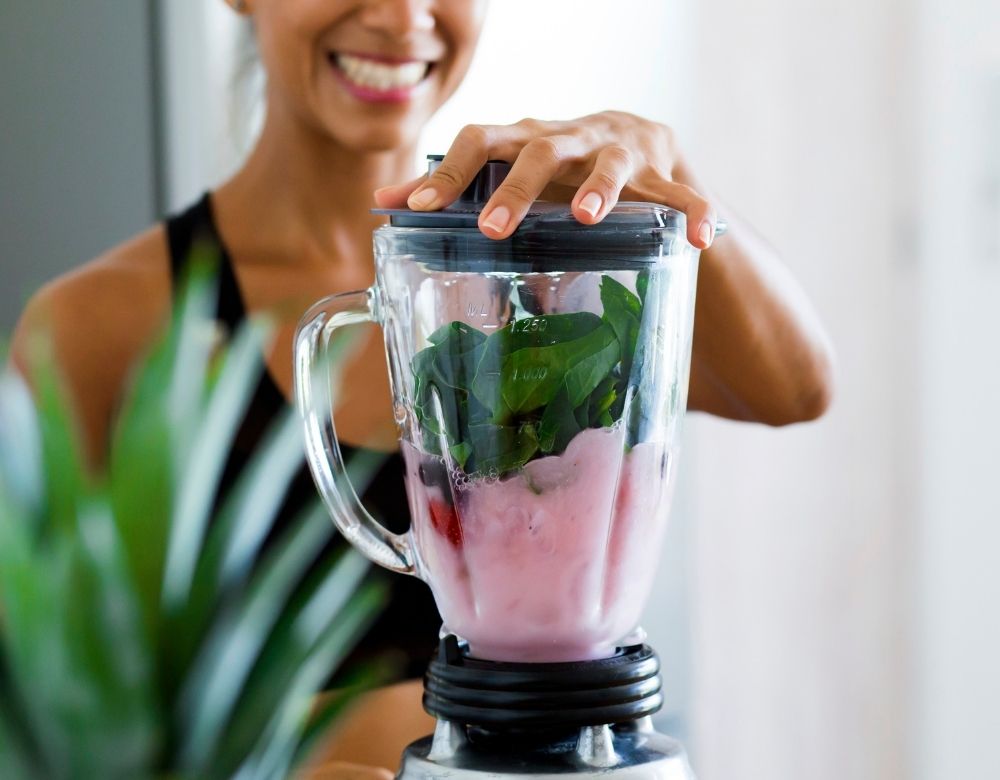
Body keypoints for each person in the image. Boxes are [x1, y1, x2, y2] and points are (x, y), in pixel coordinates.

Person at [11, 0, 834, 774]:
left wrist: (667, 167)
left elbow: (797, 388)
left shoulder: (549, 275)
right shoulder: (101, 328)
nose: (404, 17)